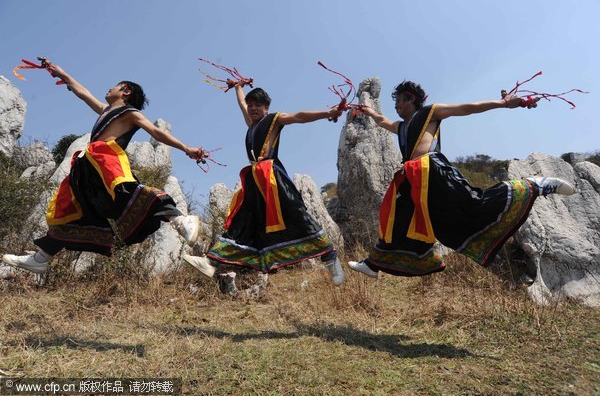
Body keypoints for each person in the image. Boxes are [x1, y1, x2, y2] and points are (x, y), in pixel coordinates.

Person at [348, 80, 575, 278]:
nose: (396, 106)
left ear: (411, 99)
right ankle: (374, 263)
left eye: (399, 100)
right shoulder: (401, 127)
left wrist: (504, 103)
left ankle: (534, 186)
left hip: (432, 171)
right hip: (411, 179)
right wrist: (368, 110)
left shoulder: (430, 112)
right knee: (398, 220)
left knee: (473, 204)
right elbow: (381, 120)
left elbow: (468, 108)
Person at [2, 63, 204, 274]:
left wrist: (185, 148)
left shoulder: (130, 113)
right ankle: (40, 258)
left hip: (107, 162)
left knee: (132, 193)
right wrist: (60, 72)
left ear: (125, 90)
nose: (108, 88)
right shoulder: (105, 110)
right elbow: (82, 92)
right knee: (70, 209)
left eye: (114, 86)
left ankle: (180, 220)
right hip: (87, 168)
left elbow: (156, 131)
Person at [183, 84, 345, 292]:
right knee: (242, 221)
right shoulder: (251, 124)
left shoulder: (273, 120)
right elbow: (241, 104)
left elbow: (299, 116)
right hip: (253, 181)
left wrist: (328, 113)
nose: (252, 108)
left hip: (273, 177)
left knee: (297, 215)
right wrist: (237, 88)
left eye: (257, 105)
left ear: (266, 107)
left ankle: (330, 258)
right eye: (250, 105)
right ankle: (211, 262)